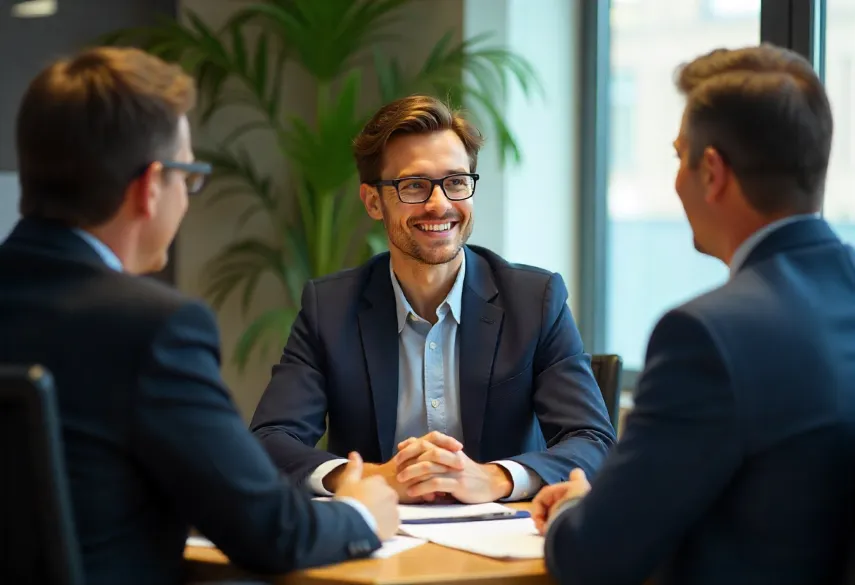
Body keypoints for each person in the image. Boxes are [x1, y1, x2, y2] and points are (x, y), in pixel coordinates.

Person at [0, 46, 399, 585]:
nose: (186, 201)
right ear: (150, 187)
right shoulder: (150, 327)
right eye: (188, 180)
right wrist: (361, 511)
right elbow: (271, 531)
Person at [535, 44, 855, 585]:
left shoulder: (707, 336)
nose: (676, 181)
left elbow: (594, 557)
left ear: (712, 172)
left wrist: (575, 512)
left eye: (678, 155)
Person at [250, 94, 616, 505]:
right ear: (373, 201)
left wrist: (493, 478)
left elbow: (592, 440)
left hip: (497, 542)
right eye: (414, 186)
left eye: (456, 182)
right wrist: (371, 477)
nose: (439, 204)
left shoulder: (534, 301)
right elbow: (270, 440)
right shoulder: (330, 308)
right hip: (377, 544)